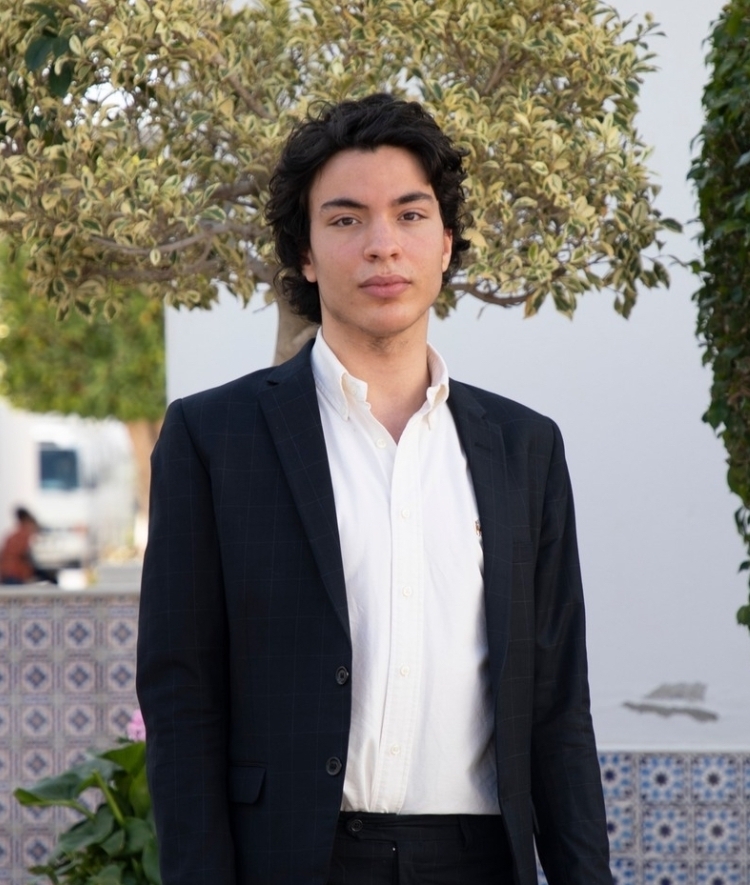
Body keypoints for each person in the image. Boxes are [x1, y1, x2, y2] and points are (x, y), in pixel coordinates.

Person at [137, 93, 613, 885]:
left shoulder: (526, 448)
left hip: (480, 860)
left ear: (447, 244)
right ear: (306, 253)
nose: (382, 245)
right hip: (295, 861)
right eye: (347, 219)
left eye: (411, 215)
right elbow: (182, 698)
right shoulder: (212, 438)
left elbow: (560, 705)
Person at [0, 506, 39, 584]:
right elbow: (23, 554)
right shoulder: (23, 536)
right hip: (14, 574)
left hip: (8, 573)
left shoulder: (12, 536)